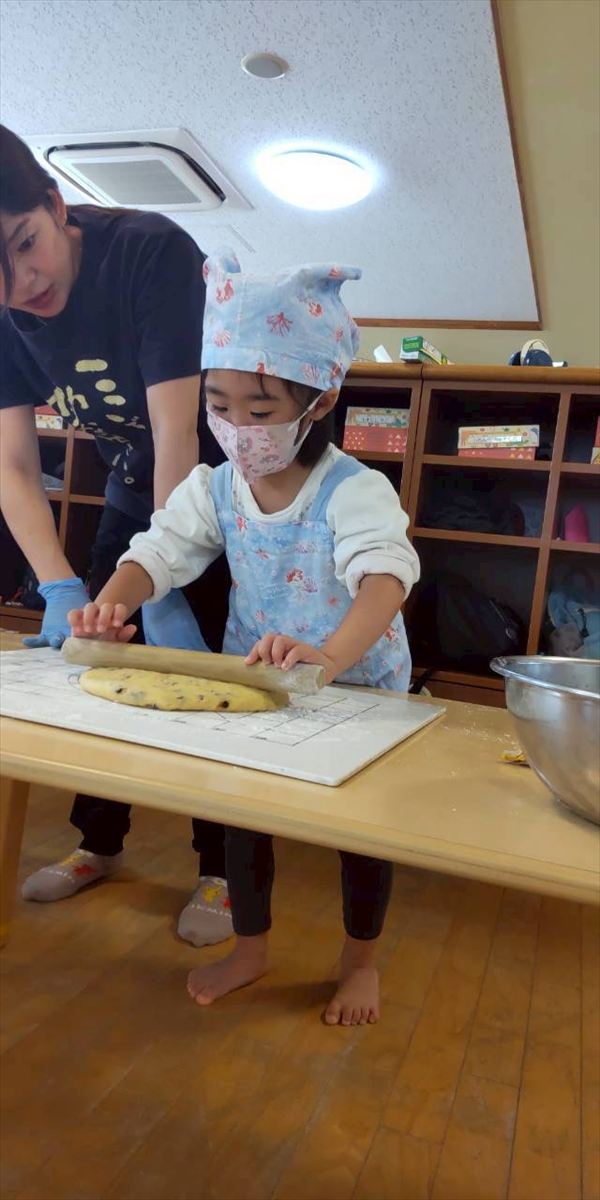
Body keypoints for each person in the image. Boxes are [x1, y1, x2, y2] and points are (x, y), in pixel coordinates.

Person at [67, 250, 420, 1025]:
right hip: (259, 683)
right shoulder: (216, 485)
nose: (236, 429)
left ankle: (359, 964)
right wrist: (111, 604)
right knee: (244, 820)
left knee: (361, 836)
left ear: (320, 400)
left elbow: (385, 579)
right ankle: (251, 949)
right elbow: (159, 549)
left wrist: (331, 656)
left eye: (259, 411)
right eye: (218, 405)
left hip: (359, 686)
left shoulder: (355, 490)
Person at [0, 124, 232, 947]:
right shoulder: (3, 307)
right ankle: (99, 843)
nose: (21, 283)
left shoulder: (148, 251)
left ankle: (225, 867)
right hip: (137, 485)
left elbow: (178, 434)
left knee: (211, 677)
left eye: (25, 244)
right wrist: (59, 586)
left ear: (56, 206)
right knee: (96, 656)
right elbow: (13, 467)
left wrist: (163, 573)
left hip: (221, 487)